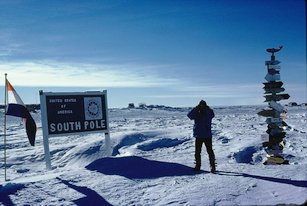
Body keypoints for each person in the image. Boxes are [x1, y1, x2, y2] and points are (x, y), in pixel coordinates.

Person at [187, 100, 216, 173]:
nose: (202, 107)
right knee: (198, 152)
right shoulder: (197, 113)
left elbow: (212, 115)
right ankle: (198, 165)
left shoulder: (208, 112)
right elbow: (189, 116)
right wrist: (196, 109)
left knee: (209, 151)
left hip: (205, 135)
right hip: (200, 135)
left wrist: (203, 109)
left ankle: (212, 166)